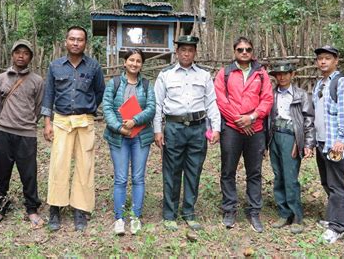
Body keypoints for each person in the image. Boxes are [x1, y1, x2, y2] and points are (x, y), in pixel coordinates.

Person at [154, 35, 221, 232]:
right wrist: (158, 130)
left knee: (194, 170)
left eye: (190, 50)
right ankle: (170, 214)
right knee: (172, 171)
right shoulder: (165, 75)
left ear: (195, 53)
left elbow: (211, 103)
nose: (186, 53)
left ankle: (189, 212)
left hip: (198, 129)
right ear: (177, 52)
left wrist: (215, 128)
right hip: (174, 128)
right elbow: (158, 104)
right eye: (183, 49)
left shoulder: (204, 75)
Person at [42, 26, 105, 232]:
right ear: (66, 41)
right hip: (61, 121)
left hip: (84, 122)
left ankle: (80, 209)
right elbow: (48, 95)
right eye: (72, 39)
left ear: (85, 43)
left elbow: (99, 92)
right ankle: (55, 208)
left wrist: (87, 109)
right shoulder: (55, 66)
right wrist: (47, 123)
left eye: (80, 39)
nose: (76, 43)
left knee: (84, 166)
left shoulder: (94, 67)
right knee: (58, 164)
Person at [214, 36, 273, 233]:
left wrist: (253, 117)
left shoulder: (261, 74)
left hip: (255, 129)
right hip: (232, 128)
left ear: (252, 51)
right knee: (228, 170)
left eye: (248, 49)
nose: (244, 52)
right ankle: (229, 209)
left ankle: (254, 211)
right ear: (235, 52)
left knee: (254, 172)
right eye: (240, 49)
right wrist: (240, 120)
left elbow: (267, 99)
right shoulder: (225, 73)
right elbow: (221, 99)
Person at [102, 48, 156, 235]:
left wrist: (135, 120)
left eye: (138, 61)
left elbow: (151, 108)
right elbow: (107, 107)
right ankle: (119, 218)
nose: (134, 63)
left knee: (138, 178)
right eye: (131, 60)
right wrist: (119, 127)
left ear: (142, 64)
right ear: (124, 62)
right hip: (119, 137)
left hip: (140, 137)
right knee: (120, 178)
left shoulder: (147, 84)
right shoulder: (114, 83)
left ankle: (135, 216)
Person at [0, 39, 44, 228]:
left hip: (27, 133)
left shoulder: (37, 81)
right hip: (5, 131)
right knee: (0, 171)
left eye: (25, 53)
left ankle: (32, 208)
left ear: (30, 57)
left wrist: (28, 122)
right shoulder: (1, 79)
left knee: (29, 173)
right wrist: (6, 119)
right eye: (18, 52)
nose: (21, 56)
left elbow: (38, 107)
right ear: (12, 54)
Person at [312, 45, 344, 244]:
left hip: (335, 142)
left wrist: (342, 139)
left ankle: (339, 226)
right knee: (327, 181)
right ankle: (334, 217)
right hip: (321, 140)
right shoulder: (319, 84)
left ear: (336, 61)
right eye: (320, 58)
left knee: (337, 183)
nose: (323, 62)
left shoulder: (342, 83)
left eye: (327, 58)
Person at [267, 61, 315, 234]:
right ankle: (283, 213)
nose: (282, 77)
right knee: (278, 175)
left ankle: (296, 216)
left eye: (286, 73)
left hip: (291, 137)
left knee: (290, 177)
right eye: (279, 74)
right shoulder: (271, 94)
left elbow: (308, 121)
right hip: (274, 136)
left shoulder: (301, 95)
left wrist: (306, 143)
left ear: (292, 75)